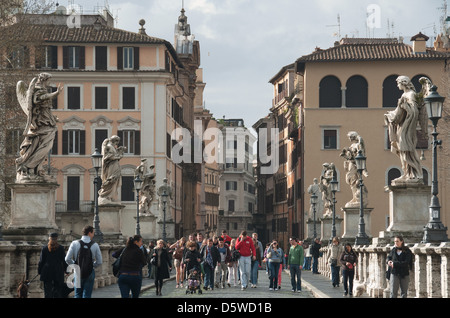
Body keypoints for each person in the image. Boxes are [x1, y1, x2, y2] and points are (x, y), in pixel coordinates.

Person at [15, 73, 61, 182]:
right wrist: (55, 93)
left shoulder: (42, 89)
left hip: (46, 121)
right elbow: (38, 99)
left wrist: (53, 119)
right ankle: (28, 166)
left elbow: (45, 108)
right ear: (44, 79)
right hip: (40, 124)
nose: (50, 83)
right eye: (49, 80)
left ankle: (36, 169)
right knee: (45, 146)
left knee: (45, 146)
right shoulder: (37, 89)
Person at [384, 75, 426, 183]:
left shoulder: (411, 94)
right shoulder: (404, 94)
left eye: (398, 83)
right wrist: (391, 114)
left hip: (408, 127)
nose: (397, 85)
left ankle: (416, 173)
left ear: (403, 83)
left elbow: (414, 112)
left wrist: (404, 106)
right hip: (402, 126)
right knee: (402, 150)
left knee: (406, 148)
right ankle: (407, 174)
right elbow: (400, 112)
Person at [65, 225, 102, 298]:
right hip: (90, 272)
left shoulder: (74, 243)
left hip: (78, 272)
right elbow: (99, 262)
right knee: (87, 295)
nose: (93, 235)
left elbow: (67, 259)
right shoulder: (95, 245)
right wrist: (91, 265)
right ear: (89, 233)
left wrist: (75, 265)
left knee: (77, 294)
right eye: (93, 233)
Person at [98, 135, 126, 204]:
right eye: (117, 141)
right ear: (114, 141)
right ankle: (107, 195)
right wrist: (117, 157)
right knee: (111, 180)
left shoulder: (112, 147)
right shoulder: (110, 147)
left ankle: (110, 196)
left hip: (115, 165)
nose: (117, 143)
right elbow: (108, 157)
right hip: (112, 166)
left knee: (114, 180)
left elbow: (113, 156)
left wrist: (119, 153)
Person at [38, 233, 67, 298]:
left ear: (49, 238)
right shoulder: (61, 248)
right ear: (57, 239)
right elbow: (64, 261)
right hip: (58, 271)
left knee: (47, 292)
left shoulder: (45, 248)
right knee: (57, 291)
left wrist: (39, 271)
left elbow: (41, 261)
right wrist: (66, 270)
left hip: (47, 271)